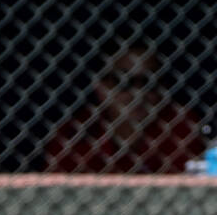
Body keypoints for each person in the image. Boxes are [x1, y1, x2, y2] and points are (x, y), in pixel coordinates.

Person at [44, 42, 205, 173]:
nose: (138, 93)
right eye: (124, 81)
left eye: (149, 82)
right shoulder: (75, 133)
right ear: (101, 87)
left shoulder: (181, 125)